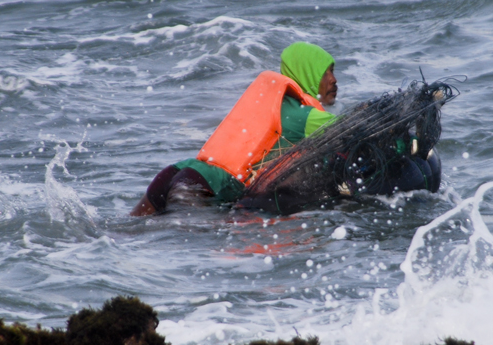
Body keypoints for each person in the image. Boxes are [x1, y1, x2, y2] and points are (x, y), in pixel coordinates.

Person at [131, 42, 339, 215]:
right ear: (307, 72)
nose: (333, 79)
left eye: (333, 71)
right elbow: (352, 130)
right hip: (206, 187)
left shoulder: (268, 104)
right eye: (325, 71)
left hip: (178, 173)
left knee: (123, 234)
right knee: (192, 250)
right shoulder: (306, 116)